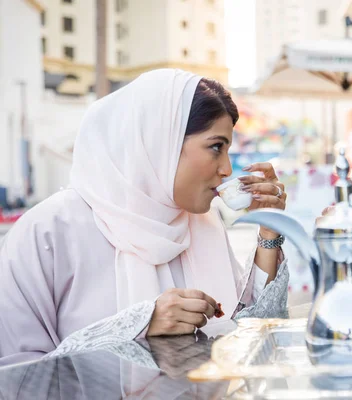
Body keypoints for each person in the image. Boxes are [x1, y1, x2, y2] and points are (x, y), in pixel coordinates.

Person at [0, 69, 289, 365]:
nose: (227, 169)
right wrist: (137, 326)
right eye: (216, 147)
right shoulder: (49, 231)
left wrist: (269, 230)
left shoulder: (202, 225)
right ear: (162, 142)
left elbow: (249, 338)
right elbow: (15, 373)